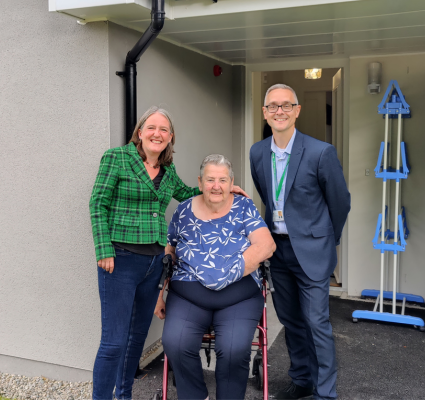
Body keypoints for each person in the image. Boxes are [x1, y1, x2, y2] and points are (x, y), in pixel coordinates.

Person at [89, 107, 247, 400]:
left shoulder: (167, 170)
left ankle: (123, 395)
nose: (157, 134)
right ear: (140, 132)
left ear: (170, 137)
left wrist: (222, 190)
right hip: (120, 260)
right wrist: (103, 249)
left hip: (153, 263)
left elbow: (188, 194)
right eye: (151, 128)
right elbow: (98, 203)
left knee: (136, 339)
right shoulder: (117, 158)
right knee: (114, 342)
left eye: (164, 130)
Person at [249, 84, 351, 400]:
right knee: (291, 320)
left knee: (317, 323)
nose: (280, 111)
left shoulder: (321, 152)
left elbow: (340, 202)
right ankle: (302, 379)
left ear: (297, 110)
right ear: (265, 113)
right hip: (278, 251)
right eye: (273, 106)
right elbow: (268, 196)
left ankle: (325, 393)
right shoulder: (257, 152)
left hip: (312, 252)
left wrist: (325, 241)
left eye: (286, 105)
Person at [154, 154, 275, 400]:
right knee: (175, 343)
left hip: (238, 297)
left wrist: (225, 273)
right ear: (200, 182)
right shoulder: (184, 209)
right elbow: (170, 250)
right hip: (188, 295)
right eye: (210, 180)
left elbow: (266, 245)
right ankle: (196, 395)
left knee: (233, 350)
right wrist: (158, 295)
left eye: (222, 180)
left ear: (231, 183)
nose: (216, 186)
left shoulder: (244, 207)